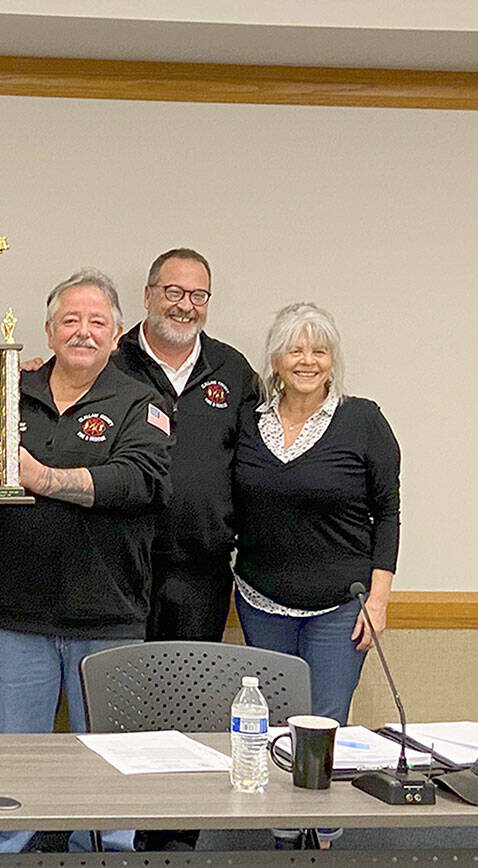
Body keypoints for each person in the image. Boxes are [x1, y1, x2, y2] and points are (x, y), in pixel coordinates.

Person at [0, 268, 172, 855]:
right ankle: (2, 852)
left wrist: (44, 478)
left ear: (118, 333)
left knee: (107, 763)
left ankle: (103, 853)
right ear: (48, 331)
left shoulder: (141, 403)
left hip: (109, 615)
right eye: (70, 320)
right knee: (12, 759)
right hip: (15, 615)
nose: (83, 332)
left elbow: (137, 482)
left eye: (97, 321)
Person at [233, 303, 399, 848]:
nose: (307, 360)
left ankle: (323, 839)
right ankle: (283, 836)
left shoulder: (363, 419)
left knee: (324, 727)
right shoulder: (247, 419)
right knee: (275, 725)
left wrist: (378, 601)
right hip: (262, 601)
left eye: (319, 350)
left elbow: (388, 512)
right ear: (275, 360)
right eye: (295, 349)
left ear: (333, 360)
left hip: (340, 606)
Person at [111, 249, 260, 646]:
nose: (185, 306)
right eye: (174, 292)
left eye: (198, 295)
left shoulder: (233, 369)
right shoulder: (109, 364)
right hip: (119, 567)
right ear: (147, 295)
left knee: (191, 698)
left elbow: (258, 461)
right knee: (121, 697)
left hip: (202, 571)